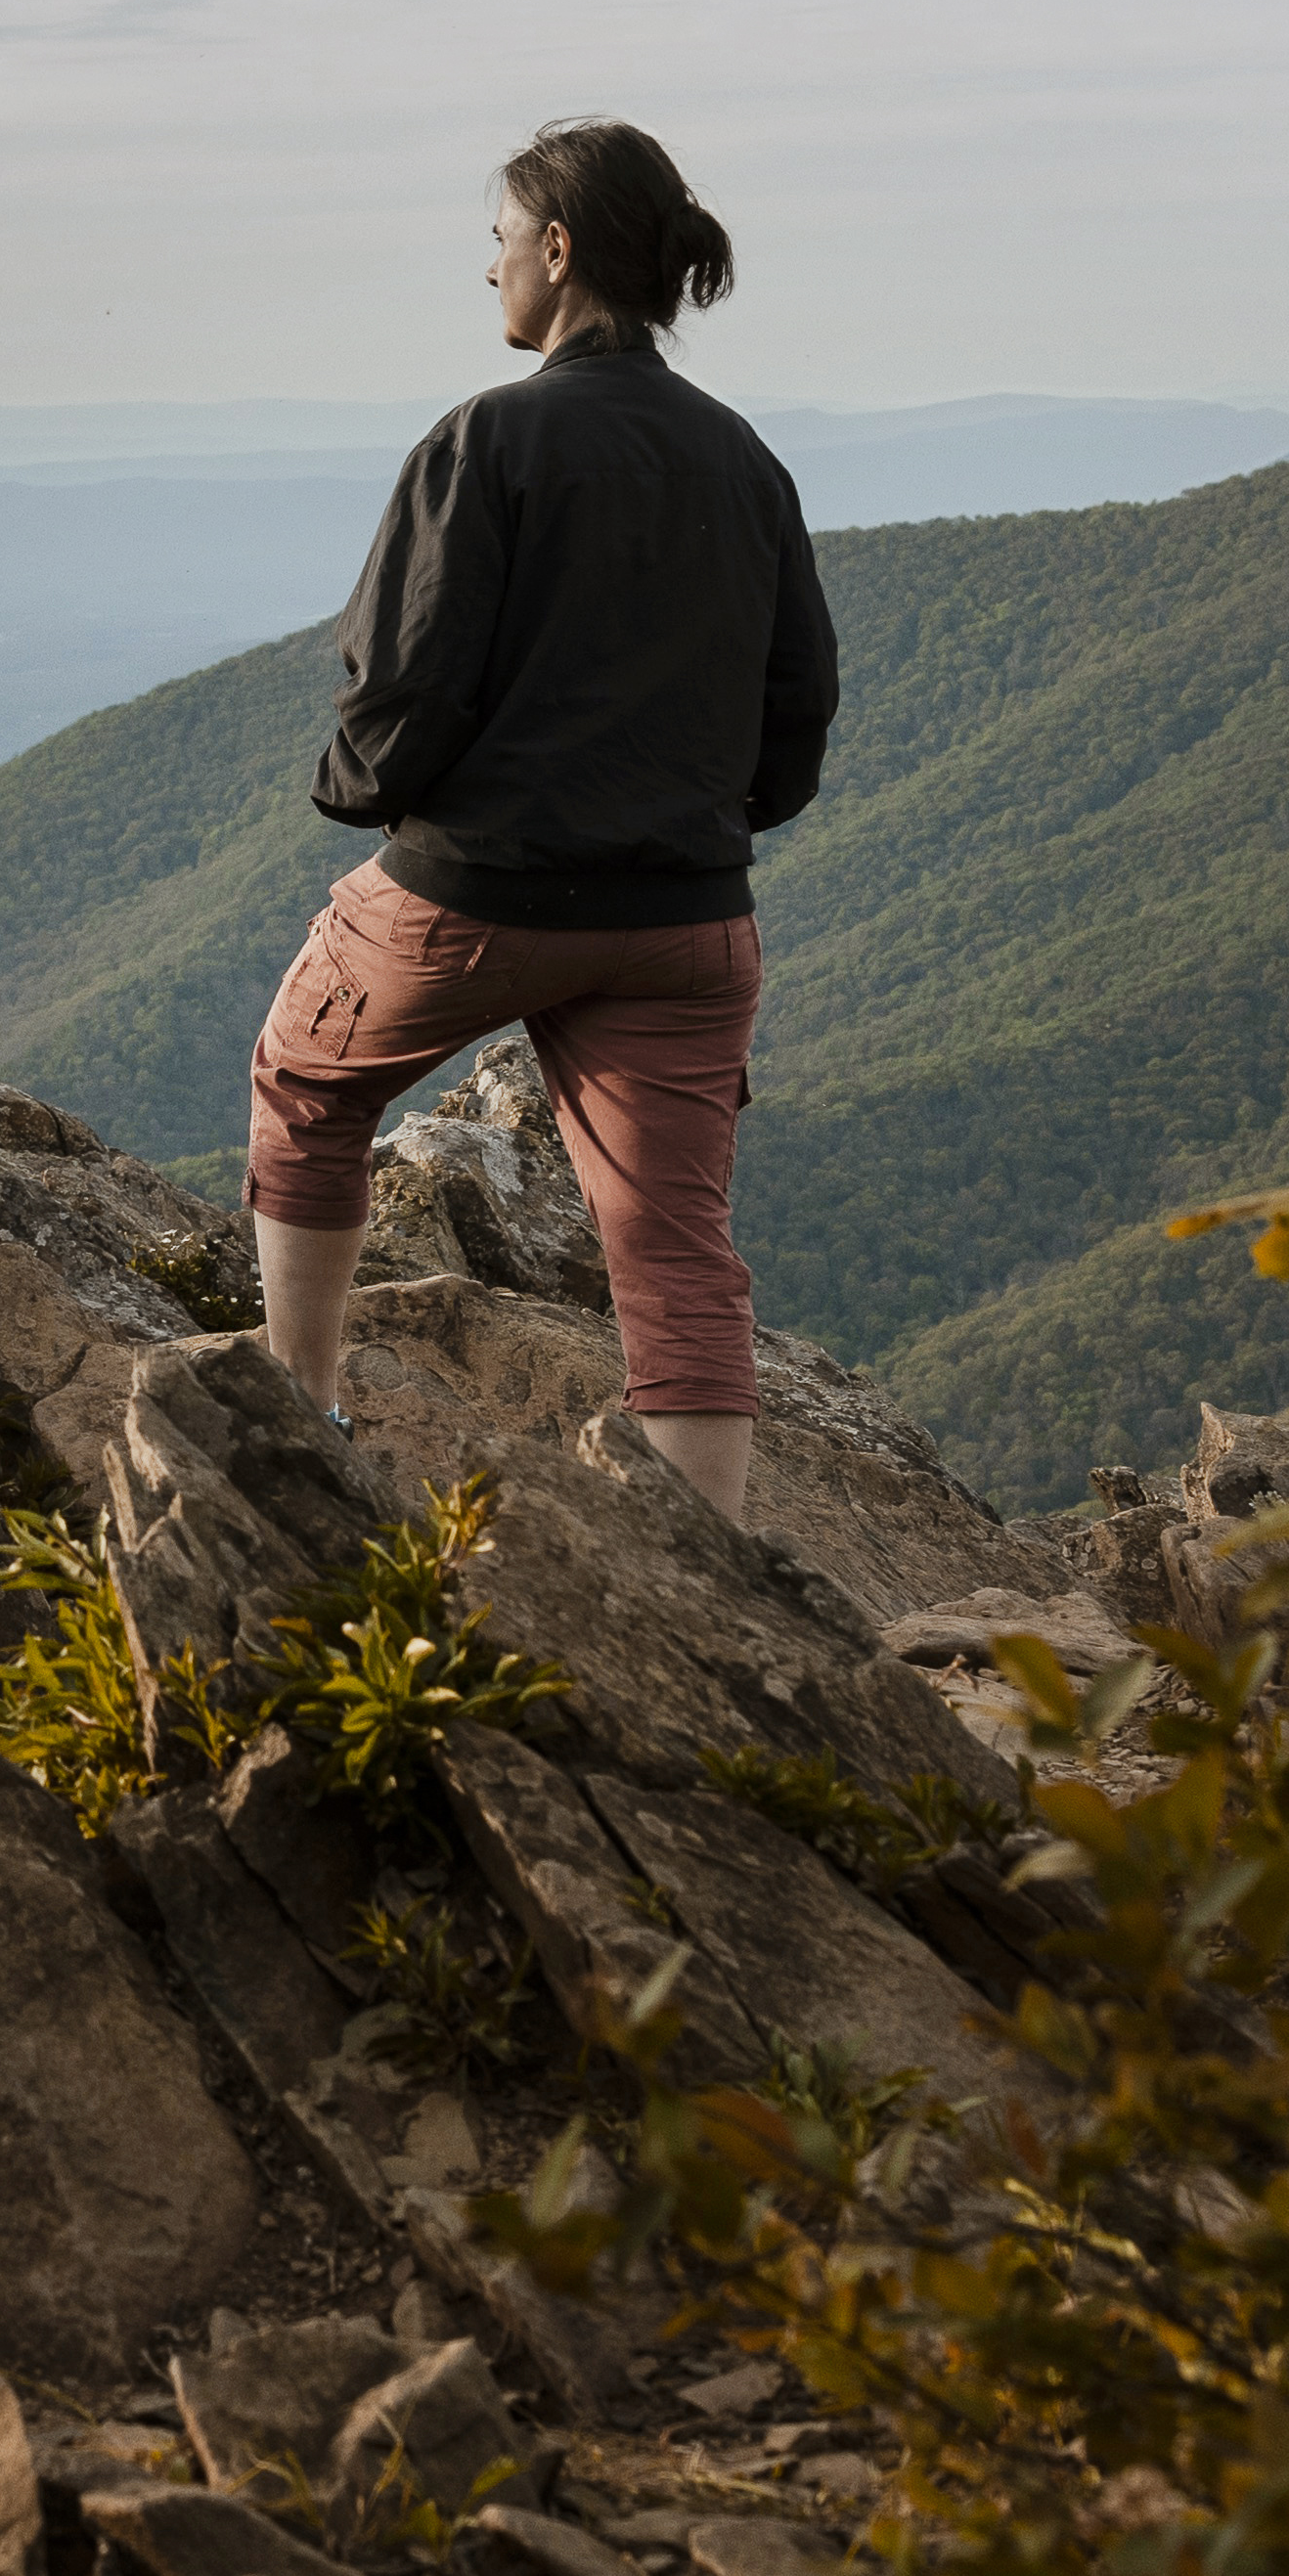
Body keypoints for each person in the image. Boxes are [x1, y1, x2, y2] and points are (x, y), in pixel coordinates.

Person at [241, 118, 835, 1529]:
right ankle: (713, 1571)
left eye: (499, 241)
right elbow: (796, 703)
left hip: (475, 894)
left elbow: (401, 684)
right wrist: (707, 817)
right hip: (685, 920)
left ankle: (300, 1417)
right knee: (673, 1249)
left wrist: (361, 793)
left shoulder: (486, 440)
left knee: (305, 1087)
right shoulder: (741, 459)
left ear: (557, 251)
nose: (489, 269)